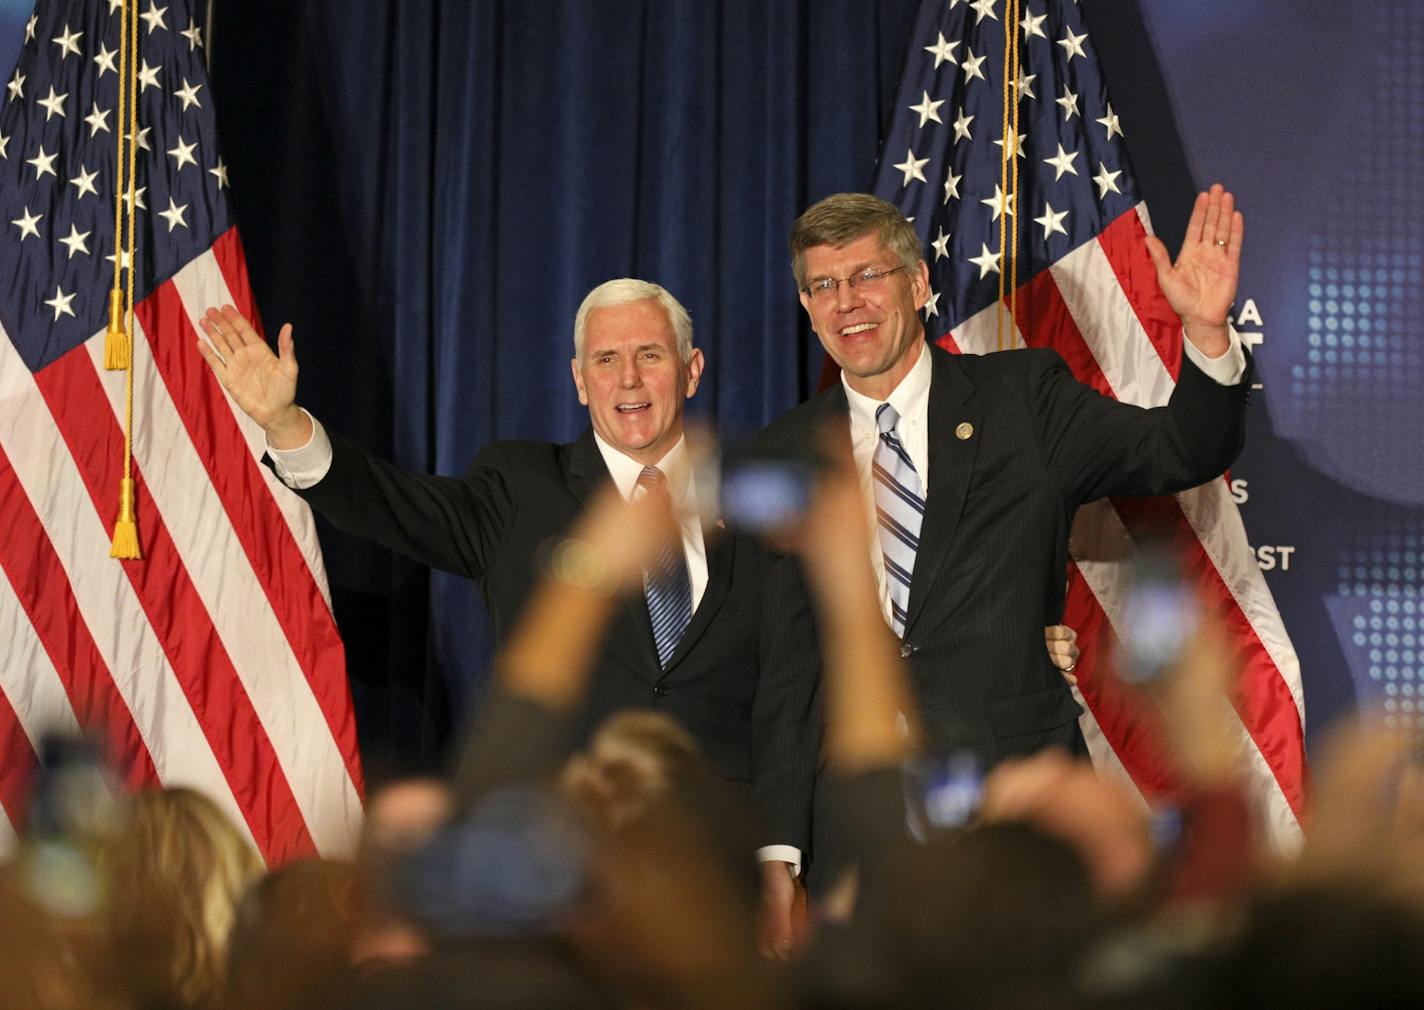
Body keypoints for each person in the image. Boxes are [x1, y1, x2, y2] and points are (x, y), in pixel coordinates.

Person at [197, 279, 819, 956]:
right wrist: (288, 425)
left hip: (717, 871)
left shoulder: (761, 497)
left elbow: (787, 696)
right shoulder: (522, 487)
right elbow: (394, 505)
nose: (629, 378)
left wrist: (778, 857)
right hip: (560, 877)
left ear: (692, 369)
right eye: (606, 360)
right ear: (579, 381)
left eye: (651, 354)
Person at [757, 187, 1251, 888]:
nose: (847, 302)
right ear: (807, 307)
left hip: (1015, 804)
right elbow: (784, 671)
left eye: (868, 276)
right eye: (824, 286)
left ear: (919, 283)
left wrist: (1205, 337)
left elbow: (1177, 452)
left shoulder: (1022, 398)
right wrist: (779, 855)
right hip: (854, 825)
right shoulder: (787, 451)